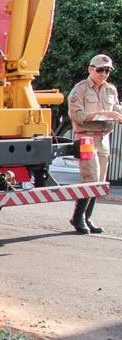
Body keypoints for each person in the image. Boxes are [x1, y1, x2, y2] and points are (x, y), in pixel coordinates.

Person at [66, 53, 122, 234]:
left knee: (99, 182)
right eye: (100, 70)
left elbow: (116, 110)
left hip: (103, 137)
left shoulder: (111, 90)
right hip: (86, 137)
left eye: (107, 71)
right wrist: (105, 115)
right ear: (91, 69)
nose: (104, 73)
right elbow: (78, 116)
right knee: (90, 177)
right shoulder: (80, 89)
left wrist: (117, 116)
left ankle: (87, 217)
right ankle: (78, 217)